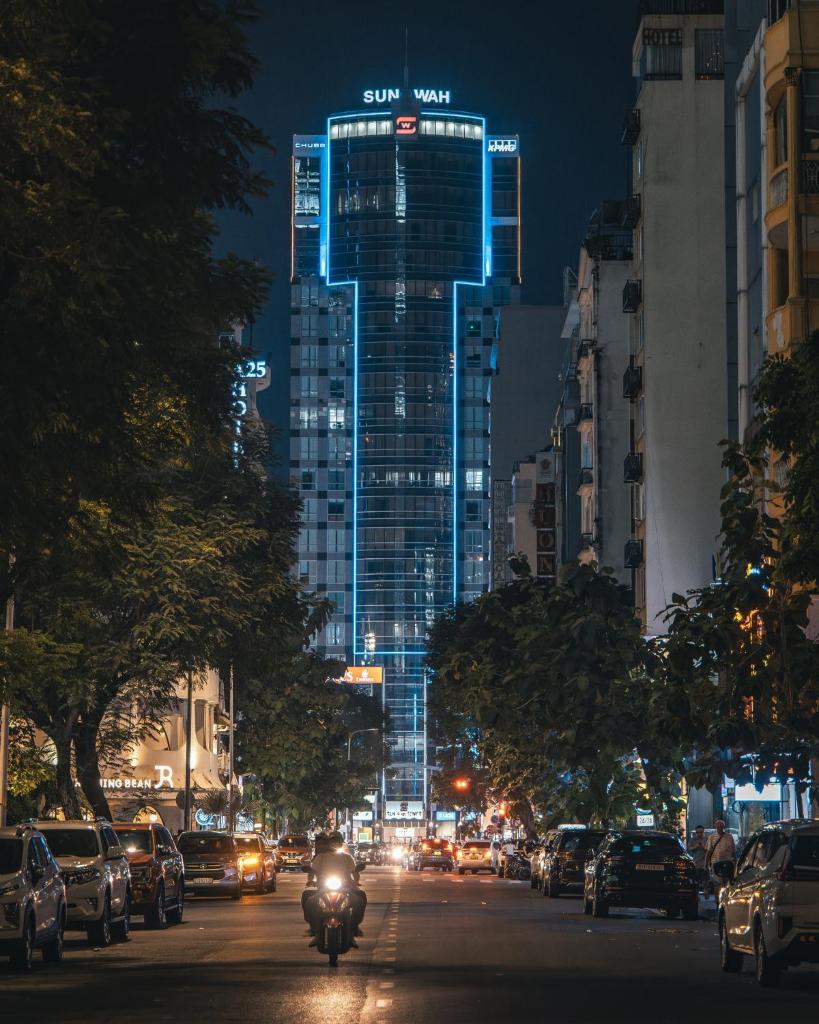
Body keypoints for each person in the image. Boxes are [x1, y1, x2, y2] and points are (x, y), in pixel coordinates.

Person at [302, 831, 367, 945]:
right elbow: (313, 871)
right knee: (307, 899)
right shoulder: (320, 857)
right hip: (323, 888)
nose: (335, 843)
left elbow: (354, 871)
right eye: (333, 841)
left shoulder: (347, 857)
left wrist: (356, 882)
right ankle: (314, 930)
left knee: (361, 898)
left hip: (345, 888)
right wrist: (310, 881)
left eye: (337, 841)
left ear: (341, 843)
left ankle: (354, 929)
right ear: (329, 843)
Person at [704, 819, 736, 899]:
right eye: (718, 826)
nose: (719, 828)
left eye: (721, 826)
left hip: (727, 863)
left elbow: (733, 851)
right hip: (716, 863)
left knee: (726, 882)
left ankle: (725, 900)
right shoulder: (711, 837)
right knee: (716, 883)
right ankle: (717, 900)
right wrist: (706, 864)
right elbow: (708, 852)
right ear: (715, 827)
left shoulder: (729, 837)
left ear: (724, 827)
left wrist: (735, 862)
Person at [687, 825, 708, 893]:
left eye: (701, 832)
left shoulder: (707, 839)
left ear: (703, 831)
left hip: (705, 861)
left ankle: (705, 890)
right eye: (697, 832)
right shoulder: (693, 839)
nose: (699, 834)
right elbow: (689, 848)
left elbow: (710, 849)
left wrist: (704, 847)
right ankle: (697, 892)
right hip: (696, 862)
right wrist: (696, 846)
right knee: (697, 878)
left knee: (706, 878)